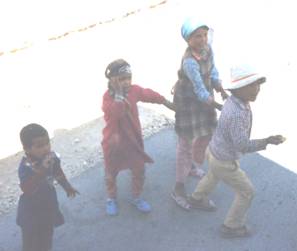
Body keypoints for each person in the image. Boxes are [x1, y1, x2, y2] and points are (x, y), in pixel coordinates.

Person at [188, 65, 285, 238]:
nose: (258, 89)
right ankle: (231, 226)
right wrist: (267, 141)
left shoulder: (233, 101)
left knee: (213, 175)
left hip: (214, 151)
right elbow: (242, 145)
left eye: (258, 84)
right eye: (252, 86)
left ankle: (196, 198)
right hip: (225, 161)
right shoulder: (237, 114)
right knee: (247, 192)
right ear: (238, 89)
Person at [101, 58, 174, 216]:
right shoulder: (108, 98)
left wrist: (165, 101)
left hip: (133, 141)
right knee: (111, 173)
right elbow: (116, 113)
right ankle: (111, 197)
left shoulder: (134, 91)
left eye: (128, 78)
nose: (126, 82)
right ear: (112, 80)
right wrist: (119, 95)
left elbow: (147, 94)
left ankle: (136, 196)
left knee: (139, 170)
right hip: (113, 144)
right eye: (121, 79)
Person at [171, 17, 228, 210]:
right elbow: (199, 89)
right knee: (184, 142)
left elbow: (212, 69)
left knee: (206, 134)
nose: (202, 39)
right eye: (197, 36)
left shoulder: (207, 48)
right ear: (188, 40)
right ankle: (178, 187)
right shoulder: (189, 62)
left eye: (204, 35)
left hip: (204, 99)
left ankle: (192, 165)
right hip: (189, 103)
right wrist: (219, 106)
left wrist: (219, 85)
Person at [16, 123, 79, 251]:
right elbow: (26, 188)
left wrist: (67, 187)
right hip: (30, 211)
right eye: (39, 146)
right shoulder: (26, 166)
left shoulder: (51, 158)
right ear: (27, 149)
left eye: (47, 143)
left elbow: (58, 173)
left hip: (47, 205)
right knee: (29, 241)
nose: (45, 148)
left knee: (45, 238)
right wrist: (42, 170)